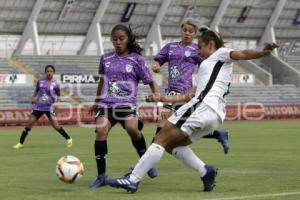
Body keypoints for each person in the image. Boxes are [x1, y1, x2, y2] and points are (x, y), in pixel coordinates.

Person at [106, 26, 279, 193]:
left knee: (161, 138)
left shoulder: (221, 54)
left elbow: (241, 54)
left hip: (203, 107)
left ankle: (133, 179)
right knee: (172, 145)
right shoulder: (210, 68)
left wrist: (262, 52)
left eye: (200, 47)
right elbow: (190, 95)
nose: (198, 51)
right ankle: (205, 171)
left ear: (211, 45)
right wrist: (162, 98)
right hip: (213, 113)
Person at [88, 24, 160, 189]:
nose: (118, 42)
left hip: (127, 104)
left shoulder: (137, 59)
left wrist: (157, 99)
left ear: (128, 40)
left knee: (132, 129)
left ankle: (146, 162)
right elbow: (102, 81)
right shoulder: (105, 58)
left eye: (121, 39)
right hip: (106, 103)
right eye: (115, 39)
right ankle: (101, 177)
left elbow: (151, 81)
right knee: (101, 131)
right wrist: (96, 101)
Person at [151, 19, 229, 154]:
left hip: (185, 91)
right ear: (181, 30)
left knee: (163, 124)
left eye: (191, 31)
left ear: (194, 34)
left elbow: (209, 62)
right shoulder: (170, 47)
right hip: (172, 90)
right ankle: (217, 134)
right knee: (180, 126)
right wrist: (157, 65)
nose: (187, 33)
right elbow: (160, 59)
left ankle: (148, 158)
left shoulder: (196, 50)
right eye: (185, 30)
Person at [13, 65, 72, 149]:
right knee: (30, 123)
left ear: (53, 73)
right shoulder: (40, 81)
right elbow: (36, 90)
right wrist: (33, 97)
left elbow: (58, 96)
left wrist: (57, 104)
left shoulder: (56, 84)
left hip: (49, 107)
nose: (49, 73)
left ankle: (68, 138)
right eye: (48, 71)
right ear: (45, 72)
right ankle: (20, 143)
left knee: (56, 126)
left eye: (51, 71)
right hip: (38, 106)